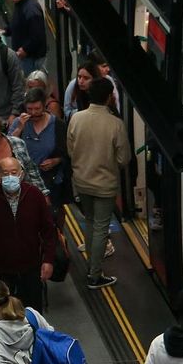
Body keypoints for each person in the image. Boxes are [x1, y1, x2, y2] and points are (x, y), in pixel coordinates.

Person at [67, 77, 128, 289]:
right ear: (109, 97)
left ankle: (91, 268)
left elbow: (70, 149)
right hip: (105, 183)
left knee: (91, 222)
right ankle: (95, 274)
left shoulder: (76, 118)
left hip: (82, 181)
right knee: (102, 227)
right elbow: (124, 158)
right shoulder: (116, 124)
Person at [0, 157, 56, 312]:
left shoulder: (35, 195)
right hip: (1, 272)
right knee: (4, 315)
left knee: (33, 314)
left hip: (31, 269)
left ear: (21, 174)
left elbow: (48, 231)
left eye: (14, 172)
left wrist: (48, 260)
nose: (10, 177)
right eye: (5, 173)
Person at [10, 87, 70, 208]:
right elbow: (8, 147)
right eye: (29, 109)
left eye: (37, 109)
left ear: (44, 107)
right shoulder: (19, 122)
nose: (33, 113)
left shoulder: (58, 125)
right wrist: (20, 128)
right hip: (24, 182)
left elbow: (68, 152)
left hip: (51, 182)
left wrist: (56, 161)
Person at [7, 0, 47, 75]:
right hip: (26, 57)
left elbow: (38, 36)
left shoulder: (31, 10)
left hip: (31, 59)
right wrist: (7, 30)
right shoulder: (20, 3)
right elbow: (18, 24)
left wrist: (24, 49)